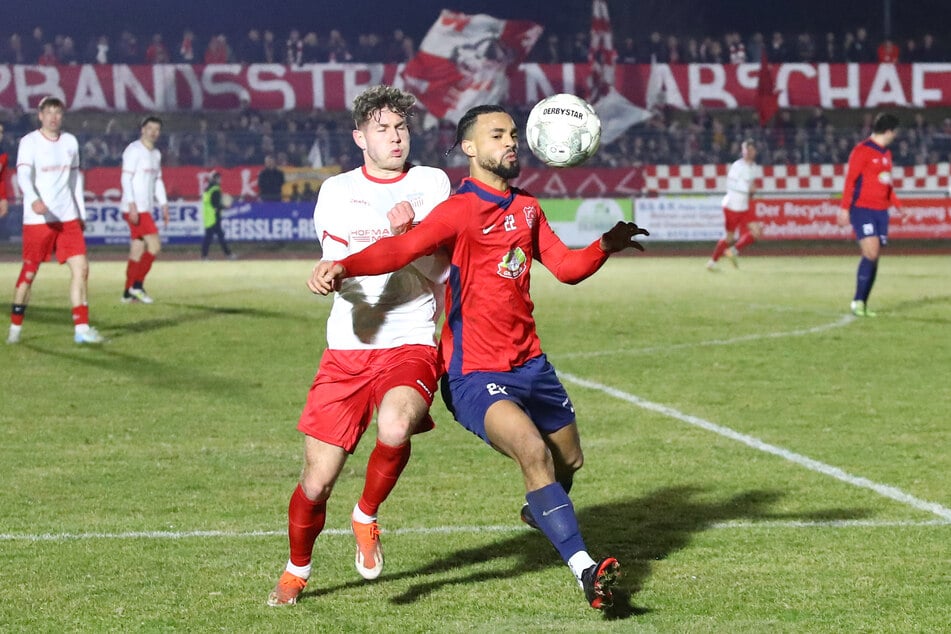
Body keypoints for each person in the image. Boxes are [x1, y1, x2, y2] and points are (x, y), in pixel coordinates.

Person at [309, 104, 650, 610]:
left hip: (532, 365)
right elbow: (396, 253)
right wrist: (345, 265)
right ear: (470, 148)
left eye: (514, 134)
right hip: (474, 373)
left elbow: (566, 268)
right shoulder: (460, 208)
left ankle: (542, 510)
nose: (511, 142)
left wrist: (604, 244)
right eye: (498, 135)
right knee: (532, 453)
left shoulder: (528, 208)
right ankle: (586, 571)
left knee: (568, 461)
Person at [267, 85, 451, 607]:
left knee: (396, 425)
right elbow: (339, 263)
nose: (394, 138)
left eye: (401, 128)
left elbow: (442, 268)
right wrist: (327, 277)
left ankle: (366, 515)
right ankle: (296, 568)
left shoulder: (431, 182)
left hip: (410, 339)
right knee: (317, 480)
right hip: (348, 347)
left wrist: (410, 233)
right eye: (382, 129)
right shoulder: (338, 191)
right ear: (359, 137)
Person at [8, 96, 103, 345]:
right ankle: (15, 328)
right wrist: (33, 200)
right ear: (40, 115)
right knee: (29, 274)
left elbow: (75, 181)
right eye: (48, 112)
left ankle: (81, 328)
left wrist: (80, 212)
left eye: (57, 112)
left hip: (67, 218)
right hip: (38, 220)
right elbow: (23, 175)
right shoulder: (29, 142)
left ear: (62, 115)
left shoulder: (70, 141)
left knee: (81, 270)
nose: (53, 117)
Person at [837, 113, 906, 317]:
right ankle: (857, 301)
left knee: (874, 258)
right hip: (862, 209)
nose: (896, 135)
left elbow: (887, 185)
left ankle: (863, 303)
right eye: (895, 132)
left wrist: (899, 206)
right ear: (889, 131)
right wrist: (844, 208)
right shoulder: (862, 151)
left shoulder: (887, 154)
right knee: (872, 252)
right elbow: (850, 181)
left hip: (881, 212)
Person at [120, 115, 169, 304]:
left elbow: (158, 180)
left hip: (145, 208)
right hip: (136, 209)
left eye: (157, 129)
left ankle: (127, 293)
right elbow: (126, 178)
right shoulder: (133, 150)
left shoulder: (156, 154)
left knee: (137, 250)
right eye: (150, 128)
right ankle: (137, 286)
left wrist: (164, 205)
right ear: (143, 129)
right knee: (155, 246)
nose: (154, 132)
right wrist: (132, 205)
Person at [707, 139, 761, 271]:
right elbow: (740, 186)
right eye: (745, 150)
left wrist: (752, 192)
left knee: (757, 231)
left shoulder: (753, 167)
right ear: (743, 152)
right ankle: (712, 262)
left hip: (743, 207)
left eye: (750, 150)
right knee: (729, 237)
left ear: (755, 151)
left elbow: (750, 188)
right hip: (732, 207)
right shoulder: (739, 166)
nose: (748, 153)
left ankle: (733, 251)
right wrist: (750, 190)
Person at [200, 170, 235, 260]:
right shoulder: (215, 189)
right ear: (216, 179)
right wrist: (225, 207)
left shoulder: (207, 188)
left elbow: (210, 203)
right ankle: (228, 254)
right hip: (214, 217)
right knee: (218, 237)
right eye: (219, 178)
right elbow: (216, 204)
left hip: (209, 216)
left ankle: (204, 256)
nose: (221, 180)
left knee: (210, 237)